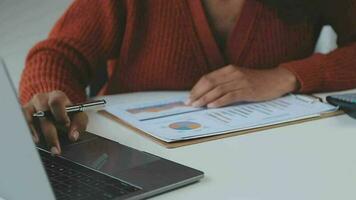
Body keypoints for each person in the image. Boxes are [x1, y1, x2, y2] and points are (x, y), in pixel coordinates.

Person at [20, 0, 356, 154]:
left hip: (280, 155)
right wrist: (51, 97)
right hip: (139, 157)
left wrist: (287, 76)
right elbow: (58, 55)